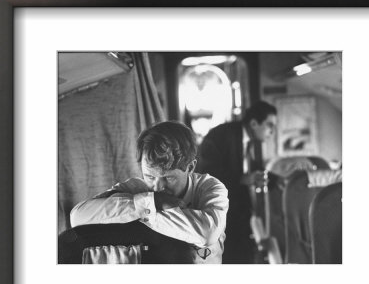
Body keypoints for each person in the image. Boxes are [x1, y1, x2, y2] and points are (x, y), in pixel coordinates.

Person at [70, 121, 229, 264]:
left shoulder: (211, 188)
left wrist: (139, 215)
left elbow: (207, 233)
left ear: (190, 167)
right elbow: (78, 217)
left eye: (168, 178)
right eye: (150, 176)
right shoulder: (137, 188)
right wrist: (152, 202)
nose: (157, 187)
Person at [197, 101, 277, 263]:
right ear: (254, 123)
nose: (272, 132)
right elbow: (206, 173)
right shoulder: (221, 135)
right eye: (270, 125)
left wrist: (278, 179)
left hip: (239, 216)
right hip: (222, 217)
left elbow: (250, 168)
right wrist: (243, 179)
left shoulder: (247, 141)